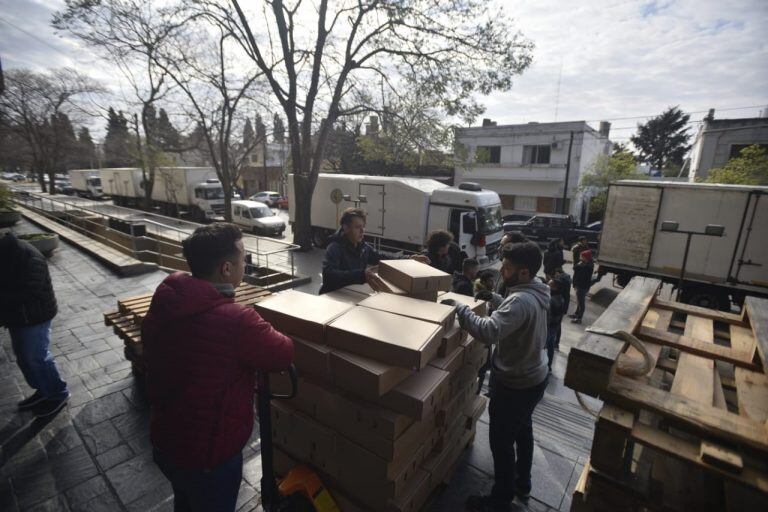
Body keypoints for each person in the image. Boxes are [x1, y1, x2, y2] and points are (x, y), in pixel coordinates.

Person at [143, 223, 294, 512]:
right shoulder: (238, 321)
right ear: (226, 269)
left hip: (167, 441)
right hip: (210, 457)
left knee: (185, 502)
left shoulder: (167, 299)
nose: (246, 264)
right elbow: (282, 353)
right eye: (243, 259)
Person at [442, 242, 550, 511]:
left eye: (508, 267)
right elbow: (518, 312)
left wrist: (460, 308)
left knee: (501, 442)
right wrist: (499, 301)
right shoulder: (536, 290)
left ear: (524, 273)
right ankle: (522, 484)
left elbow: (488, 331)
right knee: (523, 431)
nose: (502, 270)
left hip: (516, 383)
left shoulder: (521, 300)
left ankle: (500, 499)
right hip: (535, 377)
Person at [0, 232, 69, 418]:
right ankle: (43, 389)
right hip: (17, 316)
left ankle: (58, 393)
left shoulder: (26, 254)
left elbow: (30, 290)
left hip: (35, 315)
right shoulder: (6, 254)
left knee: (36, 357)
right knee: (23, 357)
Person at [319, 208, 428, 294]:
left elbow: (383, 257)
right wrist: (362, 275)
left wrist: (408, 258)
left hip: (351, 295)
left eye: (363, 227)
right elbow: (329, 275)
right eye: (357, 227)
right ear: (346, 228)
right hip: (332, 297)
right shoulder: (334, 248)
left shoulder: (364, 247)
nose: (362, 231)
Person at [571, 249, 595, 324]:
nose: (580, 258)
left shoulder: (588, 266)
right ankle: (576, 314)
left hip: (583, 286)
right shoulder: (583, 263)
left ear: (586, 257)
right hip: (579, 285)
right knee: (578, 301)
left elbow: (579, 270)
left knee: (581, 302)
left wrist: (579, 264)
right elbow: (575, 268)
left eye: (582, 256)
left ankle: (579, 318)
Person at [546, 278, 565, 372]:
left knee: (542, 348)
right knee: (550, 348)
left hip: (549, 328)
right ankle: (548, 366)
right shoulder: (561, 298)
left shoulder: (551, 300)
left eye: (549, 285)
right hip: (555, 327)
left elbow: (548, 317)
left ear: (555, 288)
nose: (547, 286)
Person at [552, 268, 571, 349]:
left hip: (559, 307)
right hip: (563, 306)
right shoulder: (567, 279)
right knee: (558, 325)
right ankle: (556, 343)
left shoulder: (561, 281)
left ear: (557, 272)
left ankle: (555, 343)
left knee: (556, 325)